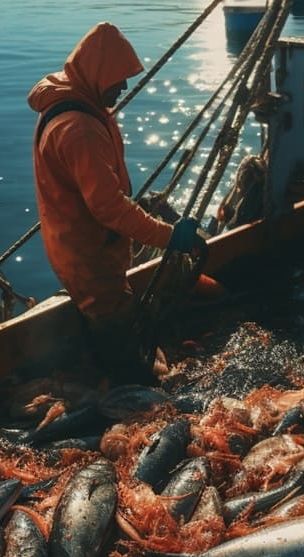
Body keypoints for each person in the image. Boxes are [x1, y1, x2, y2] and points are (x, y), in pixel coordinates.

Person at [28, 22, 220, 378]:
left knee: (110, 318)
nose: (124, 87)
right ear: (99, 75)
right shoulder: (79, 128)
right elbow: (107, 208)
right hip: (86, 252)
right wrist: (169, 236)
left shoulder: (75, 101)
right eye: (119, 79)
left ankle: (107, 369)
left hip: (78, 239)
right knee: (116, 334)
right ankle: (123, 388)